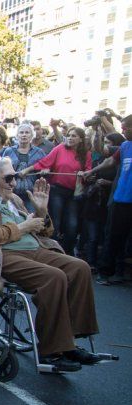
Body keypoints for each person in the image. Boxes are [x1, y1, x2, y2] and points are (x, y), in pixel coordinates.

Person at [0, 157, 100, 371]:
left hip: (34, 249)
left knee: (79, 268)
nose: (13, 183)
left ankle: (68, 342)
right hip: (2, 255)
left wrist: (42, 212)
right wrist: (24, 227)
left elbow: (45, 232)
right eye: (8, 178)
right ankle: (52, 350)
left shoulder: (14, 201)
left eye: (15, 177)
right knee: (54, 277)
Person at [20, 127, 91, 256]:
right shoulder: (60, 148)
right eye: (68, 135)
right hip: (57, 190)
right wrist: (26, 170)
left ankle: (68, 252)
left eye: (74, 136)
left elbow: (88, 171)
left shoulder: (86, 153)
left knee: (72, 225)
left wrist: (84, 173)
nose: (69, 138)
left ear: (81, 139)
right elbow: (44, 162)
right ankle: (53, 251)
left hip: (74, 194)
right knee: (55, 223)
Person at [81, 114, 132, 284]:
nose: (123, 131)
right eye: (122, 128)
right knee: (113, 237)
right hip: (120, 199)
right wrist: (92, 171)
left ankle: (121, 273)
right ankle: (106, 273)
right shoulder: (124, 146)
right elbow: (109, 159)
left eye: (126, 128)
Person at [1, 123, 46, 210]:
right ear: (17, 135)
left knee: (30, 217)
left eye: (27, 132)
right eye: (21, 133)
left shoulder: (39, 152)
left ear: (32, 135)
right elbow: (1, 169)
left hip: (32, 194)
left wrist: (44, 171)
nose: (24, 135)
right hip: (11, 192)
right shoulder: (9, 151)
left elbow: (45, 168)